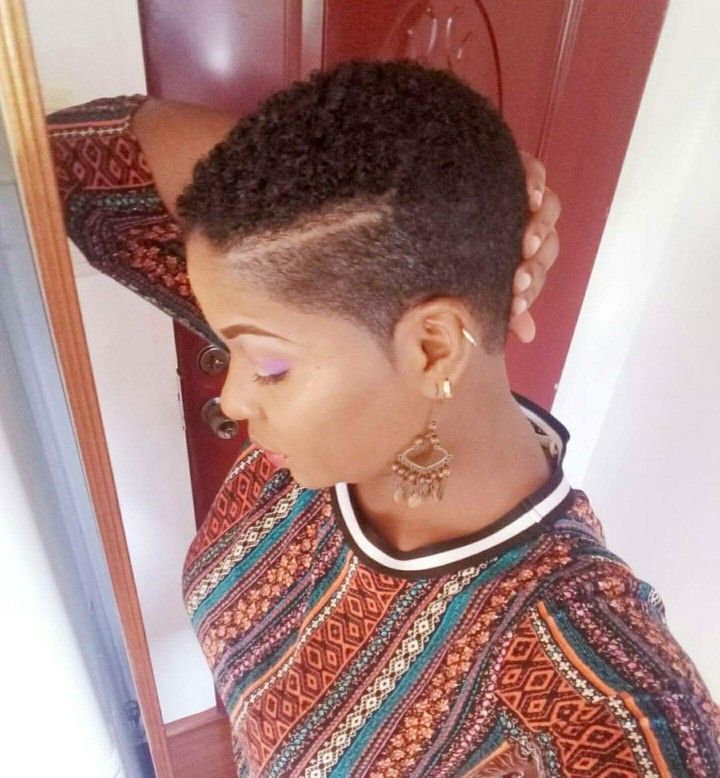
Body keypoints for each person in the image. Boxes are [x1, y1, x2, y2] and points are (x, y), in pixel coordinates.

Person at [46, 59, 719, 777]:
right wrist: (409, 211)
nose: (235, 399)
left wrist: (422, 226)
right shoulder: (322, 398)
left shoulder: (576, 680)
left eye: (268, 365)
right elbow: (62, 159)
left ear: (433, 348)